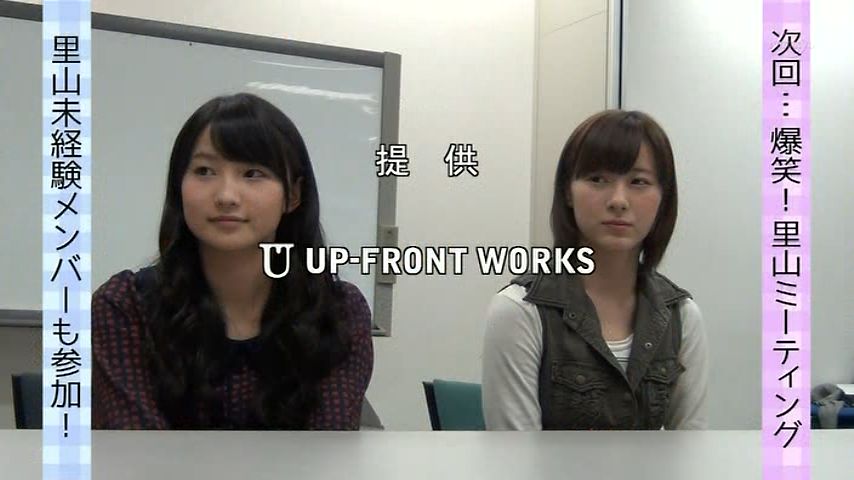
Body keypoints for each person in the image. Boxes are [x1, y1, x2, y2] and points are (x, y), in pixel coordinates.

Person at [92, 93, 373, 430]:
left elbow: (328, 447)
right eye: (204, 171)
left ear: (293, 195)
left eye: (252, 173)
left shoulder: (339, 312)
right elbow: (136, 446)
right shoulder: (124, 306)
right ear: (179, 187)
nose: (226, 196)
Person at [481, 110, 708, 430]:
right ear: (567, 192)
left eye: (638, 182)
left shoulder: (680, 315)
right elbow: (517, 455)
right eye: (598, 179)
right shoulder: (521, 310)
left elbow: (690, 447)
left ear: (663, 198)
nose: (619, 200)